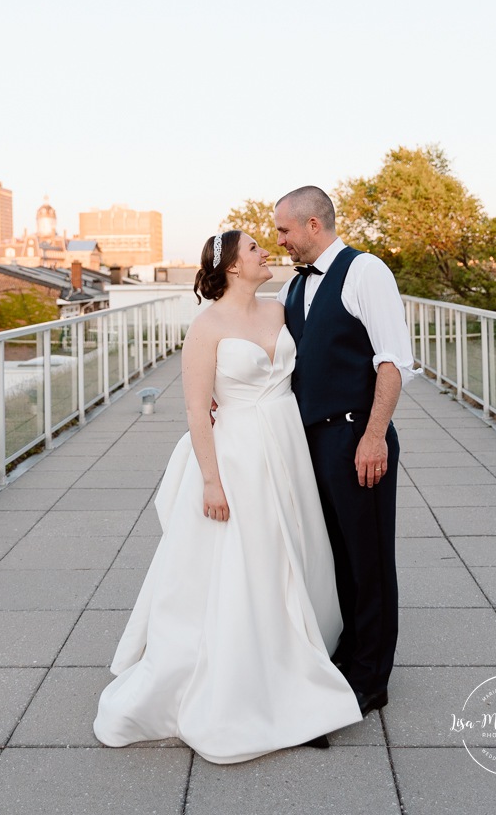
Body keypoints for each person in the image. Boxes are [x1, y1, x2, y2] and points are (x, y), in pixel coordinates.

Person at [93, 229, 362, 764]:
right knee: (250, 560)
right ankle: (246, 677)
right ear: (234, 267)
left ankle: (297, 655)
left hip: (286, 447)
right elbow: (197, 410)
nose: (268, 254)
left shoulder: (283, 309)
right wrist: (212, 482)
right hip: (237, 457)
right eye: (257, 249)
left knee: (294, 550)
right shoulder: (206, 326)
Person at [274, 186, 418, 717]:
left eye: (285, 231)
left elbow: (392, 361)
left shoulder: (366, 272)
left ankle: (371, 679)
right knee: (336, 554)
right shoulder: (294, 287)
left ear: (315, 225)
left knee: (369, 558)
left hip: (359, 437)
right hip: (311, 440)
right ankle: (349, 654)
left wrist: (375, 435)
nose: (280, 241)